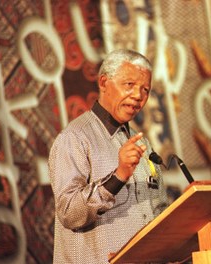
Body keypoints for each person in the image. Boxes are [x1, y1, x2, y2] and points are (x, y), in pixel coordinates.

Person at [48, 49, 169, 263]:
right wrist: (118, 176)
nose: (138, 96)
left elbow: (157, 211)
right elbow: (69, 213)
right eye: (129, 85)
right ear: (104, 82)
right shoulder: (75, 138)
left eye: (145, 89)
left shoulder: (143, 145)